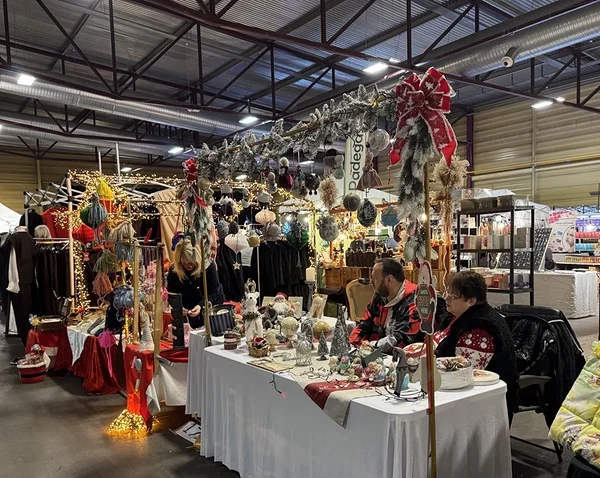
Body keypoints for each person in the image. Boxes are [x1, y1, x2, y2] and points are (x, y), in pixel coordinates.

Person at [435, 270, 518, 385]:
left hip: (483, 391)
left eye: (453, 296)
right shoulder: (456, 316)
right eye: (447, 293)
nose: (446, 298)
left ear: (471, 301)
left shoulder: (480, 329)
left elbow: (463, 372)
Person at [349, 258, 448, 352]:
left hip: (406, 358)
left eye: (374, 278)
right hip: (377, 354)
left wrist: (369, 347)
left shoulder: (416, 301)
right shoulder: (379, 297)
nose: (371, 282)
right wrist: (353, 343)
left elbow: (402, 339)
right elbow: (364, 322)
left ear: (389, 280)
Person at [166, 238, 225, 328]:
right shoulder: (175, 270)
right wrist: (178, 307)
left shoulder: (208, 267)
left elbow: (214, 293)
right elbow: (172, 294)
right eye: (184, 263)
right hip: (188, 310)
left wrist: (201, 306)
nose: (188, 266)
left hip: (210, 307)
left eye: (191, 263)